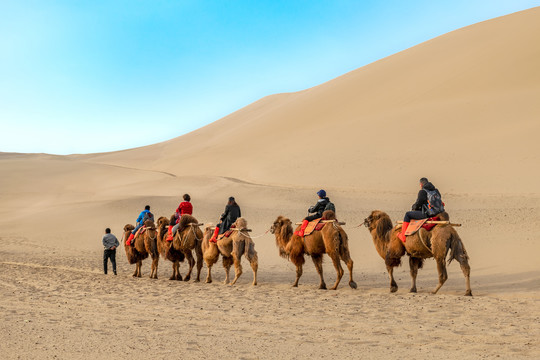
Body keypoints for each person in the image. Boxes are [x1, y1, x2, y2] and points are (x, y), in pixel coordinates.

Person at [397, 177, 444, 242]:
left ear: (421, 184)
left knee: (407, 214)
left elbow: (419, 203)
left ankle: (403, 237)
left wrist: (413, 207)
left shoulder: (423, 191)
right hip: (438, 213)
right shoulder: (436, 191)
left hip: (427, 214)